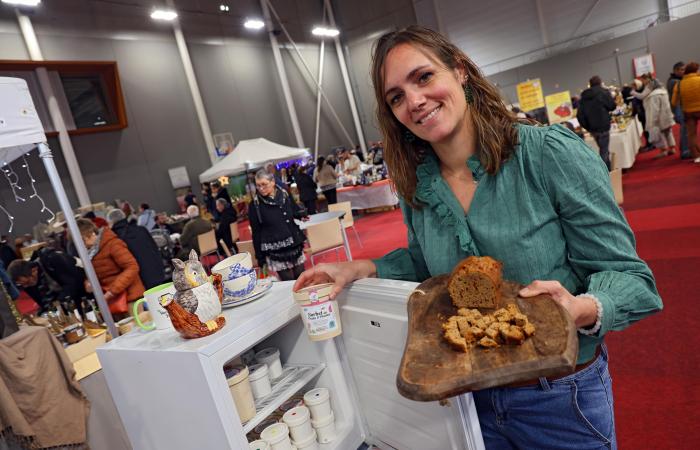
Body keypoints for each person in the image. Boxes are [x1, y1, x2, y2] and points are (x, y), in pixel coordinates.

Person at [294, 26, 662, 449]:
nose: (414, 101)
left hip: (559, 396)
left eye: (424, 77)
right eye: (396, 96)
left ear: (461, 71)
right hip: (467, 403)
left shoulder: (546, 155)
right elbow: (429, 267)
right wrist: (359, 266)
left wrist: (578, 309)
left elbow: (631, 279)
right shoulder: (419, 187)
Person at [75, 218, 144, 319]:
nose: (82, 244)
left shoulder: (113, 244)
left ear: (90, 234)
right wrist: (88, 283)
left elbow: (132, 267)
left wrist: (112, 291)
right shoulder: (90, 252)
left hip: (129, 298)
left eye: (83, 240)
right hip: (112, 300)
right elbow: (97, 272)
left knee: (138, 330)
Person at [249, 170, 306, 281]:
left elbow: (294, 210)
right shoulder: (255, 205)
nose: (261, 188)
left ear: (273, 182)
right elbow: (256, 233)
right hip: (276, 249)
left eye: (264, 184)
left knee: (302, 278)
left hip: (294, 243)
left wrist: (301, 214)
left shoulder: (284, 193)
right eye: (258, 185)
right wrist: (260, 257)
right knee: (289, 283)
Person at [7, 247, 86, 314]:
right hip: (65, 305)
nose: (25, 286)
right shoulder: (28, 283)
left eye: (27, 282)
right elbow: (43, 304)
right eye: (22, 285)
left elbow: (73, 284)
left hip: (83, 293)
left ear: (34, 271)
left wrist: (57, 304)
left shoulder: (52, 260)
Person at [108, 209, 165, 290]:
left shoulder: (116, 238)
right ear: (124, 217)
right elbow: (155, 248)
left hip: (140, 282)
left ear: (111, 222)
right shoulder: (141, 229)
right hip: (157, 274)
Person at [577, 75, 616, 170]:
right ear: (600, 83)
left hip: (593, 129)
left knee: (604, 150)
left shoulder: (584, 97)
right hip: (603, 126)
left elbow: (579, 115)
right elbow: (612, 106)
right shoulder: (604, 92)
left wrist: (588, 127)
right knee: (604, 151)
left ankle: (609, 170)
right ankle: (605, 173)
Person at [634, 75, 676, 159]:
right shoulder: (663, 91)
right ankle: (672, 148)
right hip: (666, 115)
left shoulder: (653, 96)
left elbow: (654, 109)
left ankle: (663, 150)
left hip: (658, 118)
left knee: (659, 134)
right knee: (668, 132)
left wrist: (652, 121)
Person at [671, 61, 700, 164]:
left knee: (691, 135)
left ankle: (696, 156)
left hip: (688, 112)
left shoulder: (679, 84)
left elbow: (674, 102)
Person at [667, 61, 691, 159]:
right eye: (681, 70)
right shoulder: (674, 81)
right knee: (684, 129)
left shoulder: (675, 80)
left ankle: (684, 149)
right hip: (678, 108)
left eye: (684, 69)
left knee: (685, 129)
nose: (684, 71)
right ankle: (685, 151)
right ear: (675, 71)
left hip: (679, 108)